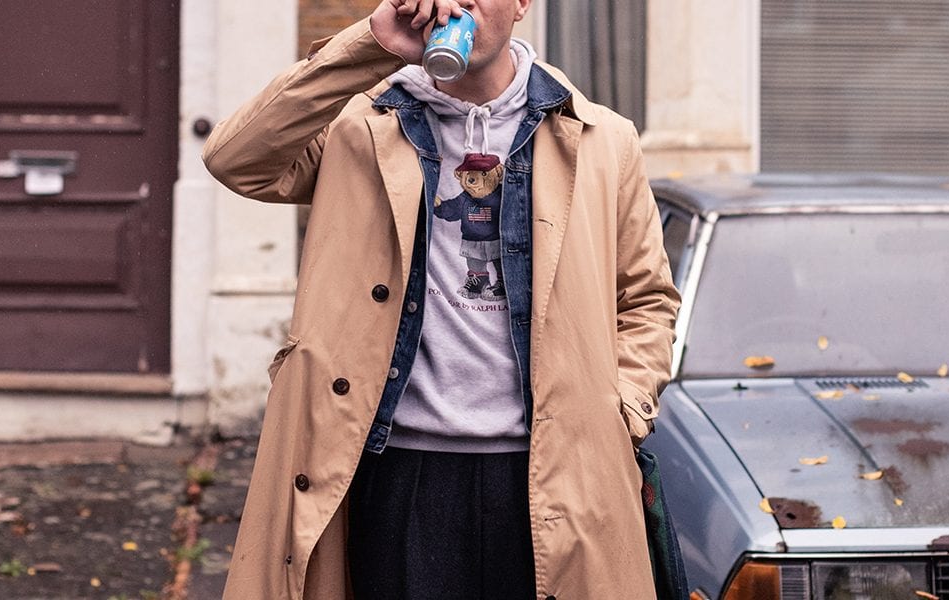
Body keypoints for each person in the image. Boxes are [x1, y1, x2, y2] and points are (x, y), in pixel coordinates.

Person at [202, 0, 681, 598]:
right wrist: (371, 45)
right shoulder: (359, 126)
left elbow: (646, 299)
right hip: (398, 467)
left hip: (554, 472)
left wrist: (621, 410)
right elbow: (236, 160)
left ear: (523, 4)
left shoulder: (602, 139)